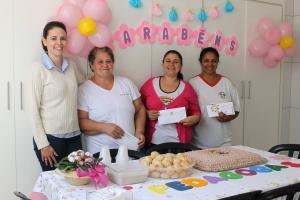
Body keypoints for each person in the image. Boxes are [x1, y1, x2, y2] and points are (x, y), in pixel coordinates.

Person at [32, 21, 86, 171]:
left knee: (77, 186)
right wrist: (43, 144)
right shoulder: (38, 68)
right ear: (44, 40)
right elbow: (33, 111)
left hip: (74, 137)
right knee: (55, 186)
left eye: (63, 38)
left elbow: (86, 83)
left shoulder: (71, 65)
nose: (59, 43)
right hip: (51, 140)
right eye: (53, 38)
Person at [77, 46, 146, 154]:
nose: (105, 65)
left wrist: (139, 131)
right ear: (92, 65)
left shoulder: (126, 83)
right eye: (100, 62)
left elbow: (140, 108)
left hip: (129, 152)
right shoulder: (84, 90)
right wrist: (104, 127)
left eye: (108, 61)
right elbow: (81, 122)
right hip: (99, 155)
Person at [140, 50, 201, 146]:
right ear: (162, 64)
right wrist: (147, 113)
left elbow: (196, 112)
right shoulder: (150, 84)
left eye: (176, 62)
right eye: (168, 61)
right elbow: (138, 107)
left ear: (181, 66)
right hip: (153, 143)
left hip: (179, 144)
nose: (171, 64)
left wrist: (193, 119)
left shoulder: (187, 88)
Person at [189, 47, 240, 148]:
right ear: (200, 62)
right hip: (198, 144)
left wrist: (227, 117)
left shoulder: (227, 83)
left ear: (218, 62)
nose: (210, 64)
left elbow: (236, 110)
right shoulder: (192, 83)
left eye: (214, 61)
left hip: (224, 143)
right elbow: (187, 111)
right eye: (206, 61)